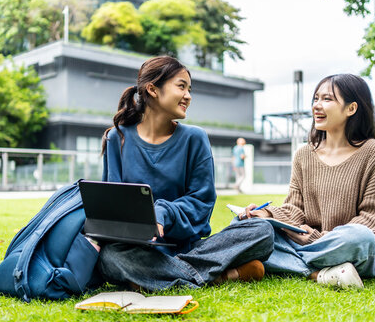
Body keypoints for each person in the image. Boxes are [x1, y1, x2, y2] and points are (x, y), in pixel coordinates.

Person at [96, 56, 274, 291]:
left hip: (189, 247)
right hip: (138, 250)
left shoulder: (195, 138)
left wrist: (162, 212)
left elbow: (201, 207)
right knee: (110, 257)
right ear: (152, 89)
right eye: (181, 86)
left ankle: (153, 278)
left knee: (263, 231)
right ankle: (218, 276)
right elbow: (114, 204)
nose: (188, 96)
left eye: (189, 89)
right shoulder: (116, 139)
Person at [240, 74, 375, 290]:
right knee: (246, 225)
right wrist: (267, 214)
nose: (317, 106)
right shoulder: (303, 154)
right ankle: (319, 273)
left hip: (354, 248)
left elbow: (372, 219)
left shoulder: (374, 152)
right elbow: (295, 209)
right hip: (308, 242)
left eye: (327, 99)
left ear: (351, 108)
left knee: (359, 236)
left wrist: (314, 238)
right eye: (315, 99)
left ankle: (284, 263)